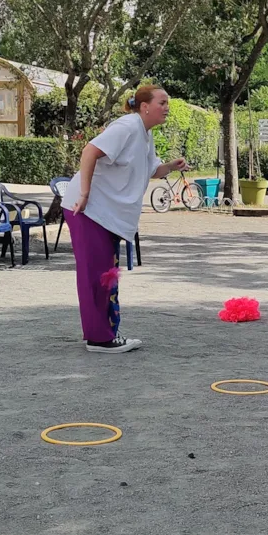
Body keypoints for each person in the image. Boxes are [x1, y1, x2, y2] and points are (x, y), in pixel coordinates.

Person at [63, 85, 187, 353]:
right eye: (162, 102)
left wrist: (171, 167)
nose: (167, 108)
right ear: (144, 107)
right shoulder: (128, 126)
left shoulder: (144, 134)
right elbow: (89, 152)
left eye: (168, 103)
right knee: (96, 274)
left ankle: (101, 333)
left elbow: (152, 170)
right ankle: (100, 338)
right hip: (88, 209)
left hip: (104, 213)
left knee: (104, 273)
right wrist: (84, 193)